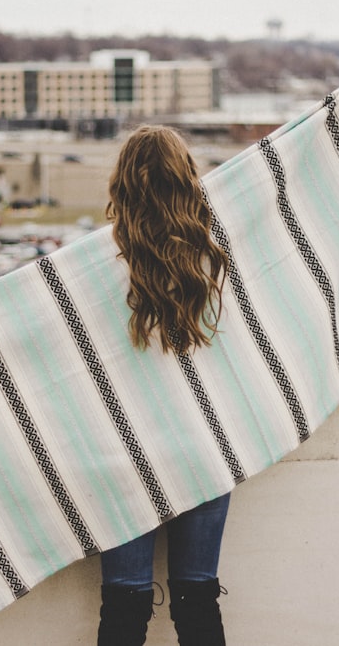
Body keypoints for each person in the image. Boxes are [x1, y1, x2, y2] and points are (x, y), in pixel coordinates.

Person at [98, 124, 231, 646]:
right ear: (189, 181)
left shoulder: (93, 272)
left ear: (122, 186)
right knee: (198, 604)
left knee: (124, 609)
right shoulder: (216, 267)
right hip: (202, 450)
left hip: (122, 457)